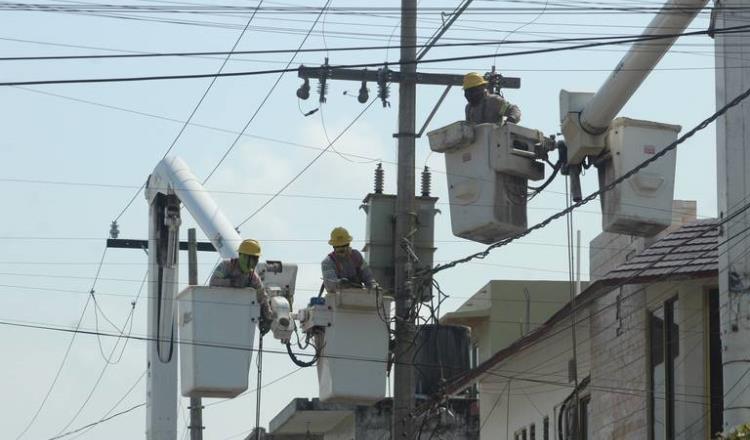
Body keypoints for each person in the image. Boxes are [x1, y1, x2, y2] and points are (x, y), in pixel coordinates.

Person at [210, 238, 271, 332]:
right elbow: (213, 282)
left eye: (256, 259)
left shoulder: (252, 277)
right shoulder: (226, 266)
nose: (254, 262)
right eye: (252, 258)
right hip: (219, 312)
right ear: (242, 256)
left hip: (237, 318)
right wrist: (231, 282)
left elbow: (262, 295)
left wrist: (267, 317)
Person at [321, 227, 377, 292]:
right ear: (333, 246)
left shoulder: (356, 256)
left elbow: (367, 275)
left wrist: (373, 285)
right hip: (338, 298)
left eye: (344, 245)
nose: (342, 249)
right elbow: (330, 286)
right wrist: (340, 283)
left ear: (348, 244)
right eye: (338, 246)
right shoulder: (328, 263)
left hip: (359, 296)